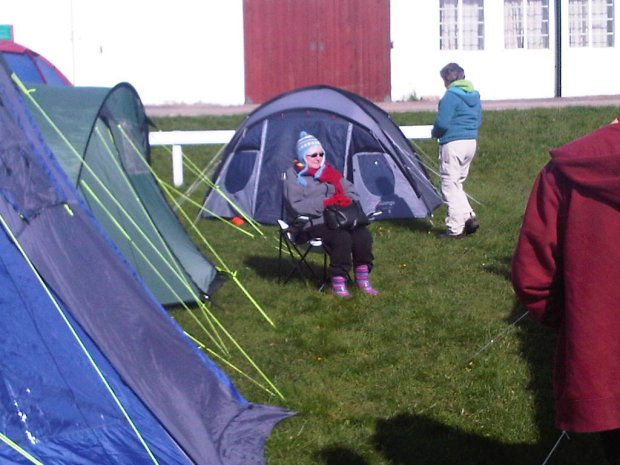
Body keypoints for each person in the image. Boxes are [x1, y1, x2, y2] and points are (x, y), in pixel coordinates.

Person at [511, 119, 620, 465]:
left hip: (604, 361)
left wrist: (583, 326)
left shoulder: (563, 172)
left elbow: (532, 279)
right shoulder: (565, 171)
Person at [282, 131, 378, 298]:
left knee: (363, 235)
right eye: (313, 155)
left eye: (321, 154)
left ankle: (362, 279)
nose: (318, 158)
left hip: (339, 218)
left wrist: (343, 200)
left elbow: (352, 191)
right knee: (342, 238)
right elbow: (296, 205)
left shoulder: (329, 172)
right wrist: (325, 202)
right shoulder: (294, 176)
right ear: (303, 156)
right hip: (311, 222)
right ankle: (338, 281)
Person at [431, 62, 482, 238]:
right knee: (457, 182)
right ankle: (468, 216)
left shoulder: (450, 96)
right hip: (470, 142)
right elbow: (478, 119)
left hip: (453, 143)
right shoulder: (474, 95)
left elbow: (442, 123)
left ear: (447, 79)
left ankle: (455, 228)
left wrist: (434, 133)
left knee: (448, 184)